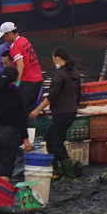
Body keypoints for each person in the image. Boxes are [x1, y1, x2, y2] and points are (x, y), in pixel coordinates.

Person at [30, 47, 81, 180]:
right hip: (70, 112)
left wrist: (36, 110)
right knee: (49, 138)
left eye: (53, 58)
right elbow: (76, 95)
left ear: (58, 58)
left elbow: (52, 95)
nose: (53, 60)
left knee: (57, 143)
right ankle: (55, 170)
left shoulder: (60, 74)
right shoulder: (74, 73)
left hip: (62, 113)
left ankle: (70, 176)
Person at [0, 66, 32, 182]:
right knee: (6, 170)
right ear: (15, 80)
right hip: (8, 134)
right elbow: (21, 119)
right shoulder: (16, 96)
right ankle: (1, 197)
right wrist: (26, 139)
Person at [0, 22, 42, 140]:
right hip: (38, 80)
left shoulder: (15, 46)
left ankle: (16, 139)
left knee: (19, 111)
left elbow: (20, 65)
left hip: (27, 82)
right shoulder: (24, 40)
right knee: (28, 112)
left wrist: (17, 82)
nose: (5, 39)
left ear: (10, 34)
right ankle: (29, 141)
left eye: (5, 36)